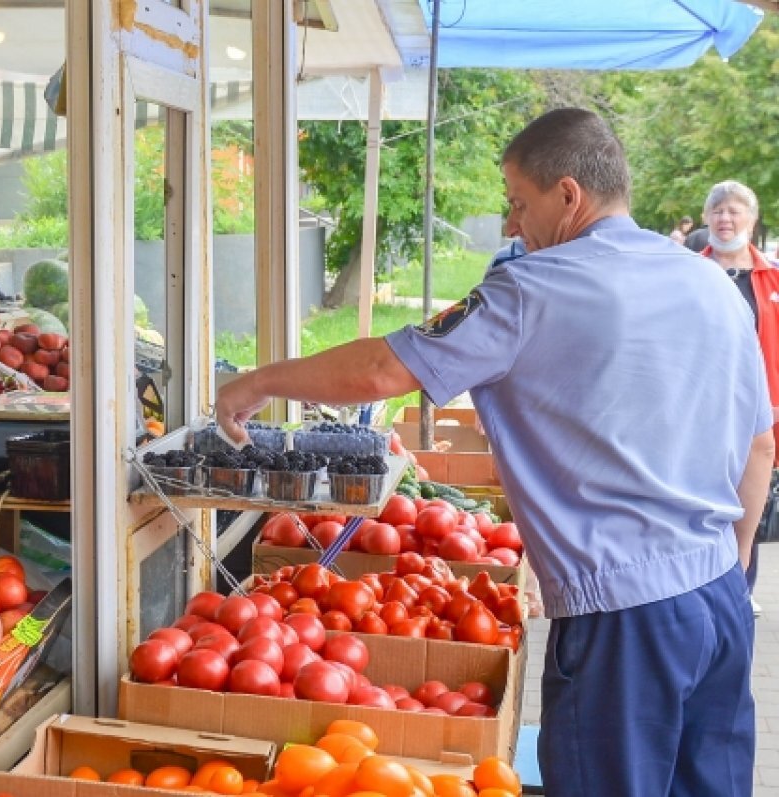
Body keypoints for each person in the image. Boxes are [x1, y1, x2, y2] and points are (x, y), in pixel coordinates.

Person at [215, 108, 773, 797]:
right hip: (717, 595)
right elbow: (760, 444)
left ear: (569, 195)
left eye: (517, 202)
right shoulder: (714, 287)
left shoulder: (532, 290)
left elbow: (381, 374)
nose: (510, 224)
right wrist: (736, 563)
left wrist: (259, 380)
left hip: (623, 618)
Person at [699, 179, 779, 616]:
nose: (725, 219)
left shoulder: (771, 278)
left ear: (751, 218)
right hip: (705, 410)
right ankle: (705, 586)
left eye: (734, 211)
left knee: (752, 495)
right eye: (718, 211)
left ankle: (741, 589)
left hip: (762, 412)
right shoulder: (690, 270)